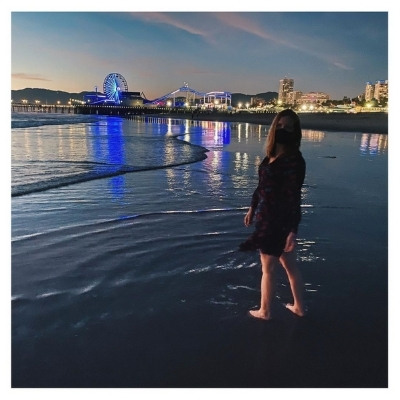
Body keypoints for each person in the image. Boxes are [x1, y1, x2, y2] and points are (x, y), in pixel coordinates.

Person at [239, 109, 306, 320]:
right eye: (280, 126)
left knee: (268, 268)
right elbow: (261, 187)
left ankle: (265, 311)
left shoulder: (294, 160)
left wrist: (292, 230)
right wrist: (252, 207)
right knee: (289, 266)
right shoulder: (271, 156)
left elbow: (294, 197)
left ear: (295, 132)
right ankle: (299, 307)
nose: (283, 130)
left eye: (288, 127)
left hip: (276, 222)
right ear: (274, 128)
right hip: (266, 217)